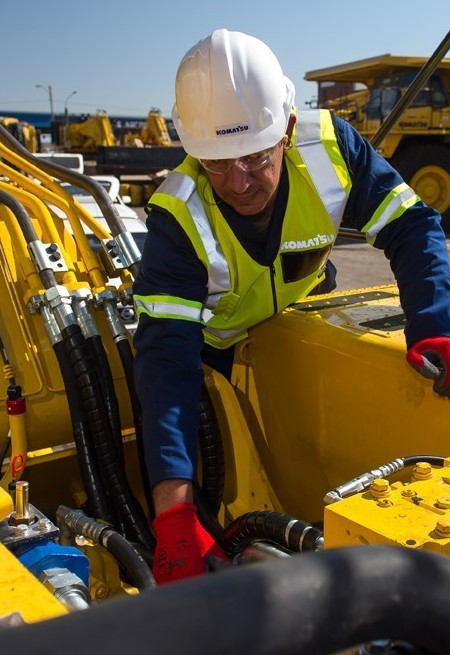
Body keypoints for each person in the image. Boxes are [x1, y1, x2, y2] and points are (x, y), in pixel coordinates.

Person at [133, 29, 450, 584]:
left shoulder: (330, 150)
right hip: (220, 357)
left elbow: (411, 224)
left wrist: (436, 325)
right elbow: (166, 361)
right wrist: (175, 514)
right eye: (217, 163)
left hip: (307, 313)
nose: (238, 182)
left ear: (287, 130)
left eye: (255, 157)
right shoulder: (177, 218)